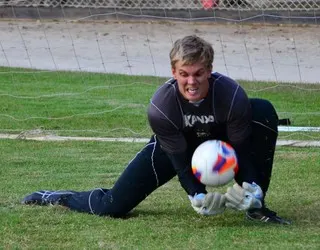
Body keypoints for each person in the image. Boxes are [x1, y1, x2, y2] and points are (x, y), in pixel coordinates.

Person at [22, 35, 291, 224]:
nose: (191, 81)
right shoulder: (161, 107)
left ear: (209, 70)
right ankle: (53, 197)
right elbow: (180, 162)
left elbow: (242, 150)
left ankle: (257, 209)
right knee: (113, 207)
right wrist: (196, 195)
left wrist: (251, 187)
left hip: (223, 145)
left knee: (263, 110)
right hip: (177, 147)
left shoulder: (232, 96)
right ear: (174, 72)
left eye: (198, 73)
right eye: (184, 73)